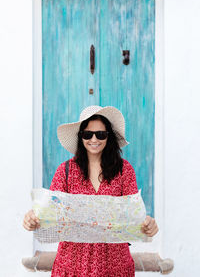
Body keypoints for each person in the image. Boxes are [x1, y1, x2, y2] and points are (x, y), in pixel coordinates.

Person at [23, 105, 159, 276]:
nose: (94, 139)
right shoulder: (65, 171)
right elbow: (49, 212)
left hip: (114, 265)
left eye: (100, 134)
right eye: (88, 134)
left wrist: (147, 225)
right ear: (80, 137)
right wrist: (33, 218)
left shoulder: (125, 171)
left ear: (109, 137)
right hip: (72, 264)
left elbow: (134, 214)